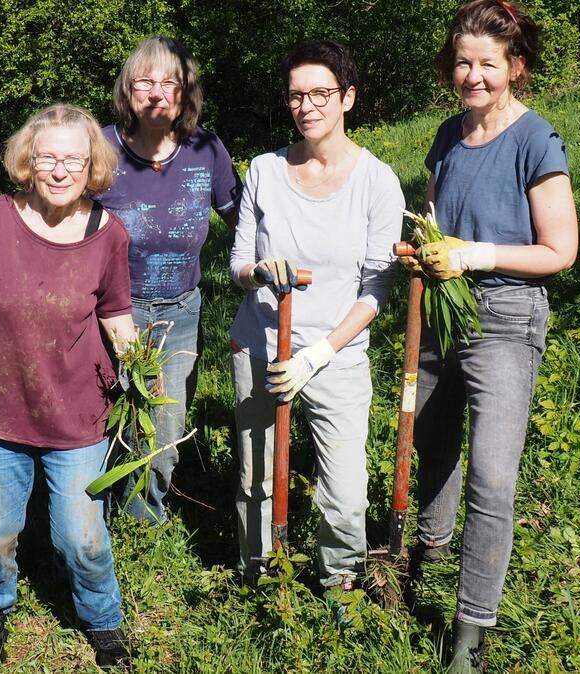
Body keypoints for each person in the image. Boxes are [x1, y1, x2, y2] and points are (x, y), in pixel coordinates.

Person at [0, 104, 137, 670]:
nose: (60, 170)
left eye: (74, 159)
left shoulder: (109, 233)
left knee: (80, 539)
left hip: (78, 414)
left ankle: (102, 618)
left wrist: (140, 372)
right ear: (27, 161)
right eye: (48, 158)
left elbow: (116, 312)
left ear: (92, 164)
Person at [401, 1, 578, 670]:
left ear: (515, 68)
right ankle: (430, 549)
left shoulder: (537, 140)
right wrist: (418, 243)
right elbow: (436, 215)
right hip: (442, 306)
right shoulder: (449, 135)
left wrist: (473, 255)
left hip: (504, 316)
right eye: (463, 63)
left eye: (487, 64)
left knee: (493, 478)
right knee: (433, 439)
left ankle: (471, 632)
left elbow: (559, 250)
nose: (472, 75)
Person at [229, 41, 404, 592]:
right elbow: (235, 265)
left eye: (321, 94)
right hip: (260, 344)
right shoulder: (264, 169)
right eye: (296, 96)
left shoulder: (378, 182)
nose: (307, 106)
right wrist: (261, 271)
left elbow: (376, 290)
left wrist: (318, 354)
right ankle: (258, 572)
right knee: (255, 474)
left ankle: (340, 583)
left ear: (347, 98)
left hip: (336, 355)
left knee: (345, 488)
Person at [99, 36, 242, 523]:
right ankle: (101, 520)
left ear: (185, 92)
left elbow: (244, 220)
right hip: (114, 312)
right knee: (108, 420)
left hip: (181, 312)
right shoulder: (102, 149)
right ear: (127, 90)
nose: (157, 92)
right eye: (145, 81)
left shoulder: (206, 149)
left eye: (169, 82)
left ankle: (144, 528)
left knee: (163, 429)